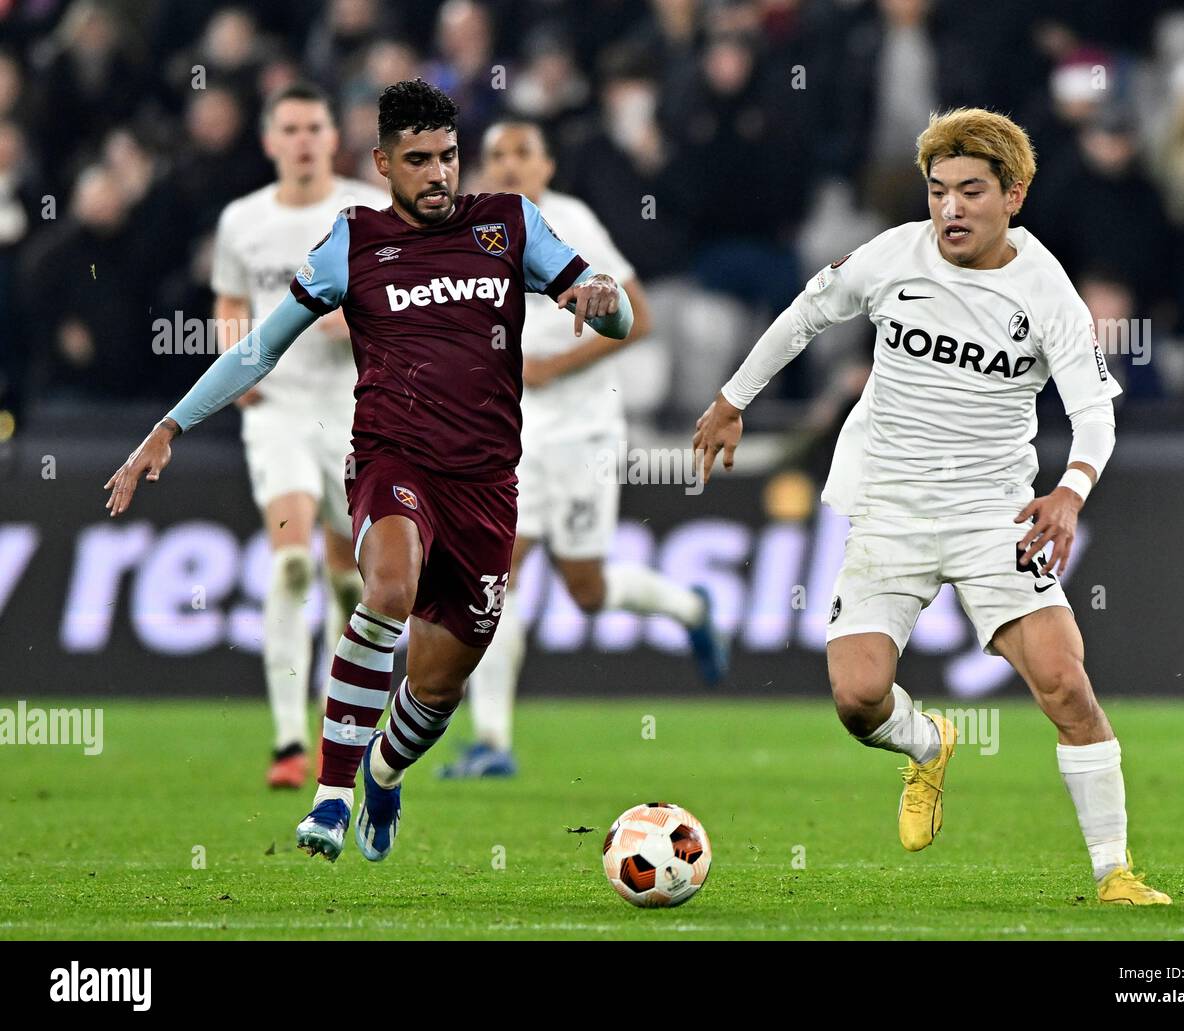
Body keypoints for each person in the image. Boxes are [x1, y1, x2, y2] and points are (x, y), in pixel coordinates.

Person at [103, 79, 632, 865]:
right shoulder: (352, 242)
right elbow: (260, 346)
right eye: (418, 160)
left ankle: (384, 772)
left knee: (436, 687)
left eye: (448, 157)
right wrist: (169, 424)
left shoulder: (508, 224)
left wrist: (602, 296)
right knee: (387, 588)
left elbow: (615, 317)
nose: (439, 174)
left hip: (488, 485)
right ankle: (329, 794)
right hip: (393, 458)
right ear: (382, 163)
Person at [692, 108, 1170, 905]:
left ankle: (1114, 870)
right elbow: (810, 308)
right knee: (856, 696)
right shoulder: (894, 254)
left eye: (971, 191)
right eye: (938, 190)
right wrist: (733, 398)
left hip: (993, 515)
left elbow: (1095, 414)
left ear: (1014, 196)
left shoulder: (1047, 290)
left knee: (1065, 684)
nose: (950, 207)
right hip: (891, 508)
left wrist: (1070, 490)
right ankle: (929, 742)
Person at [441, 119, 727, 778]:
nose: (510, 164)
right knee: (492, 577)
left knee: (587, 591)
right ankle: (492, 741)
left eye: (523, 153)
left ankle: (690, 607)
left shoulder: (573, 222)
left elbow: (640, 318)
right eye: (498, 155)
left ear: (547, 167)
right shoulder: (474, 232)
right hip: (508, 435)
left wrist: (554, 366)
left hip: (580, 433)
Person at [210, 82, 389, 789]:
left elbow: (393, 293)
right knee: (291, 562)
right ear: (270, 140)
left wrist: (355, 318)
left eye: (315, 125)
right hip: (278, 410)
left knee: (351, 578)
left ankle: (333, 723)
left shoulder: (362, 210)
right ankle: (288, 740)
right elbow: (229, 296)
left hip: (355, 410)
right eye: (291, 127)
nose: (305, 138)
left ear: (329, 136)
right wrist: (235, 360)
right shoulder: (242, 220)